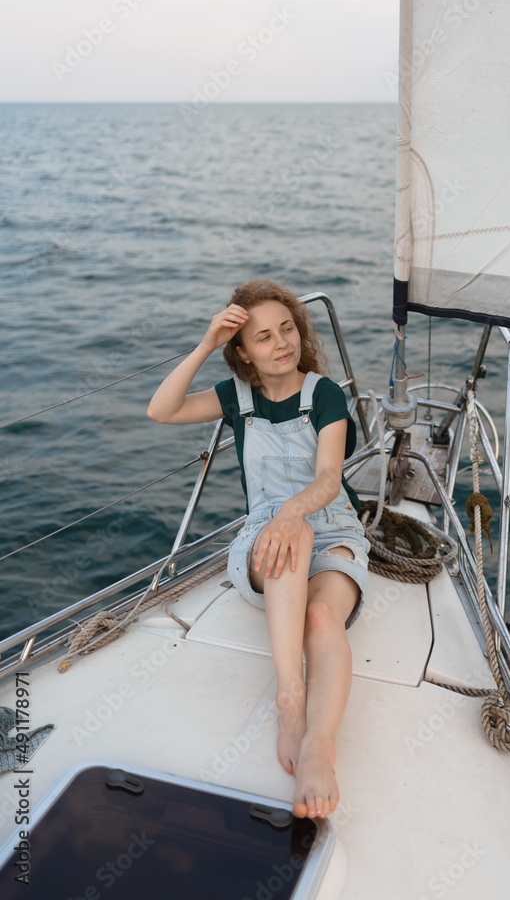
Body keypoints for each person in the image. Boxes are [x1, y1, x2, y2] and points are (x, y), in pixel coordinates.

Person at [146, 279, 370, 822]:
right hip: (265, 539)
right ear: (243, 353)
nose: (281, 344)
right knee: (291, 537)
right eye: (263, 338)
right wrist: (203, 346)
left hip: (332, 527)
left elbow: (327, 478)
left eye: (287, 329)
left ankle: (320, 744)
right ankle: (290, 700)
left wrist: (295, 514)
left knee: (322, 615)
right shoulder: (235, 399)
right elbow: (161, 410)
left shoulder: (325, 394)